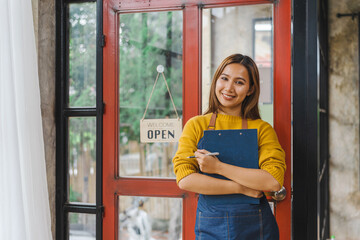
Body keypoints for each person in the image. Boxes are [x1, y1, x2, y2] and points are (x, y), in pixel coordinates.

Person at [172, 54, 286, 239]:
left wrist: (218, 167)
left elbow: (272, 180)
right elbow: (185, 178)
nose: (229, 88)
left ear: (250, 90)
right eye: (224, 78)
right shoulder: (196, 125)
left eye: (239, 82)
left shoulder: (262, 129)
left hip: (256, 226)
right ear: (216, 80)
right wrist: (240, 188)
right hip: (210, 223)